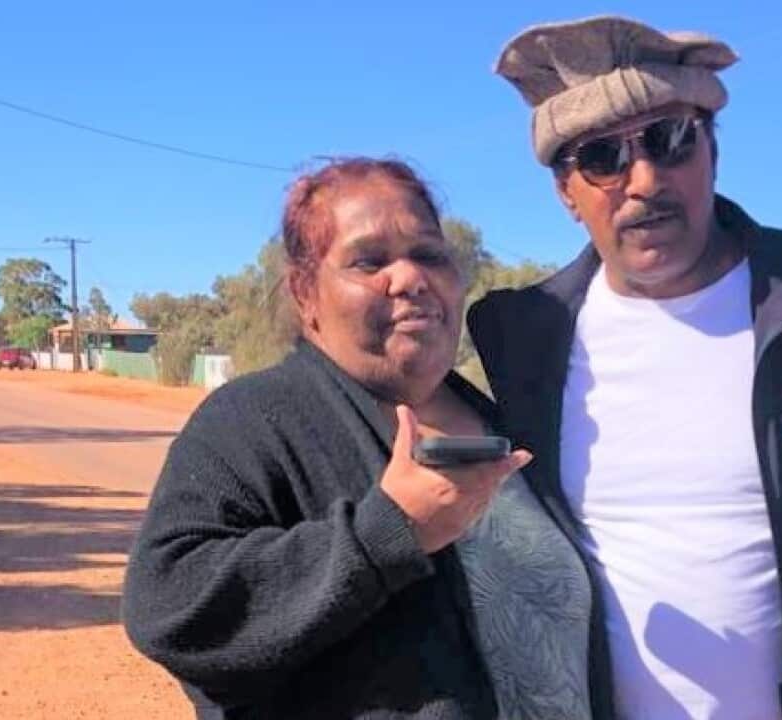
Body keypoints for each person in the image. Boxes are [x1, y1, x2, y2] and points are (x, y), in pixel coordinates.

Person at [468, 16, 782, 720]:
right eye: (603, 157)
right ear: (567, 194)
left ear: (712, 152)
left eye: (670, 140)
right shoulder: (526, 339)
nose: (643, 180)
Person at [123, 158, 594, 720]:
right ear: (305, 293)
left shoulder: (502, 422)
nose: (410, 278)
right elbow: (168, 606)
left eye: (429, 255)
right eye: (369, 261)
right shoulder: (256, 420)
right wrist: (385, 536)